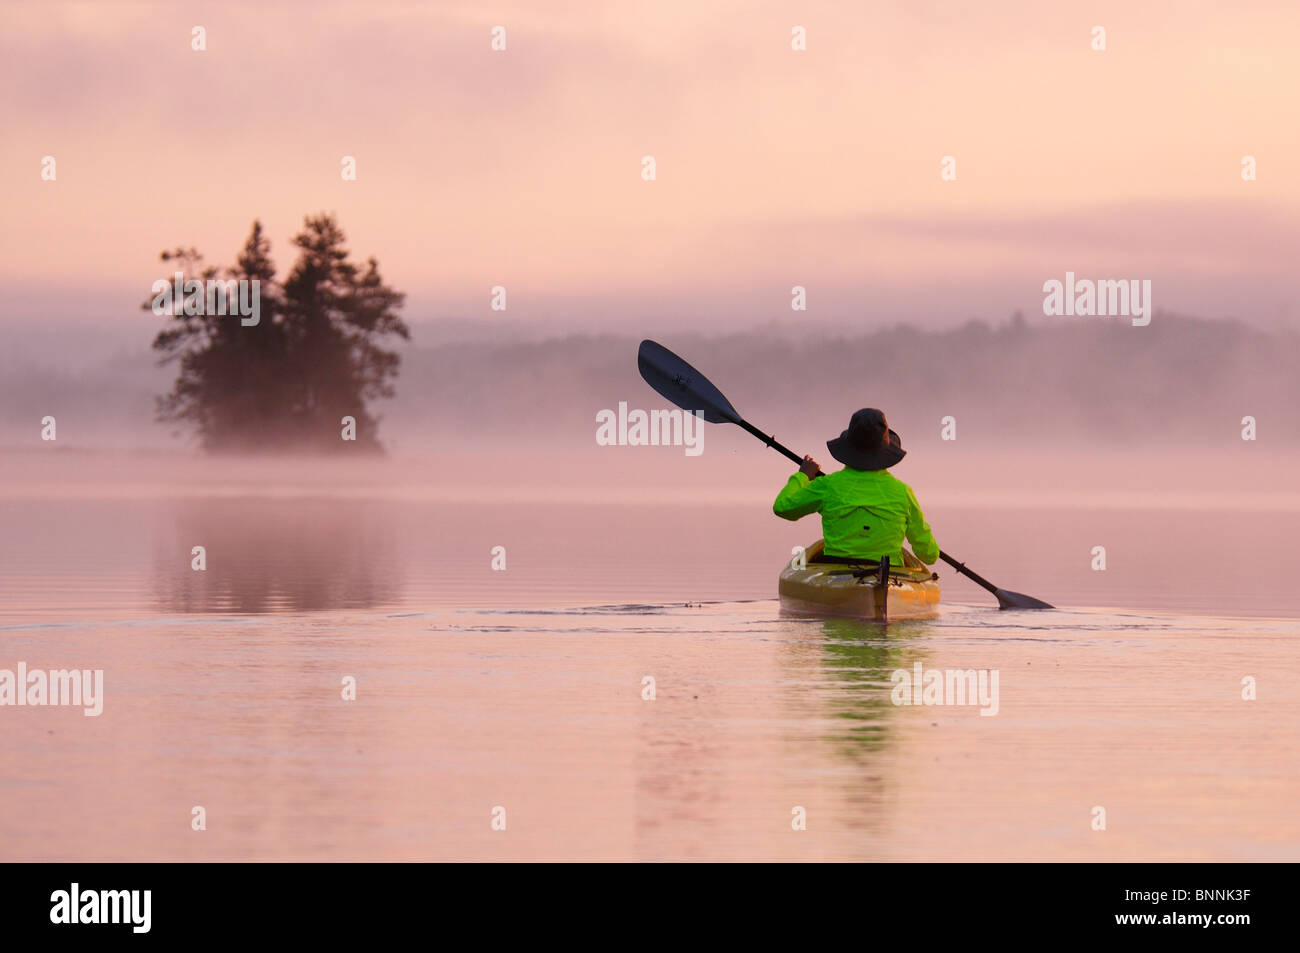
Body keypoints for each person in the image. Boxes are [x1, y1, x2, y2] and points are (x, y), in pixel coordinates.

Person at [773, 408, 938, 567]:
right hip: (888, 573)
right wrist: (932, 548)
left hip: (835, 572)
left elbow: (782, 507)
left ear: (848, 449)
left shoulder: (827, 485)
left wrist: (803, 475)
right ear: (886, 451)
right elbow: (929, 555)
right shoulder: (903, 492)